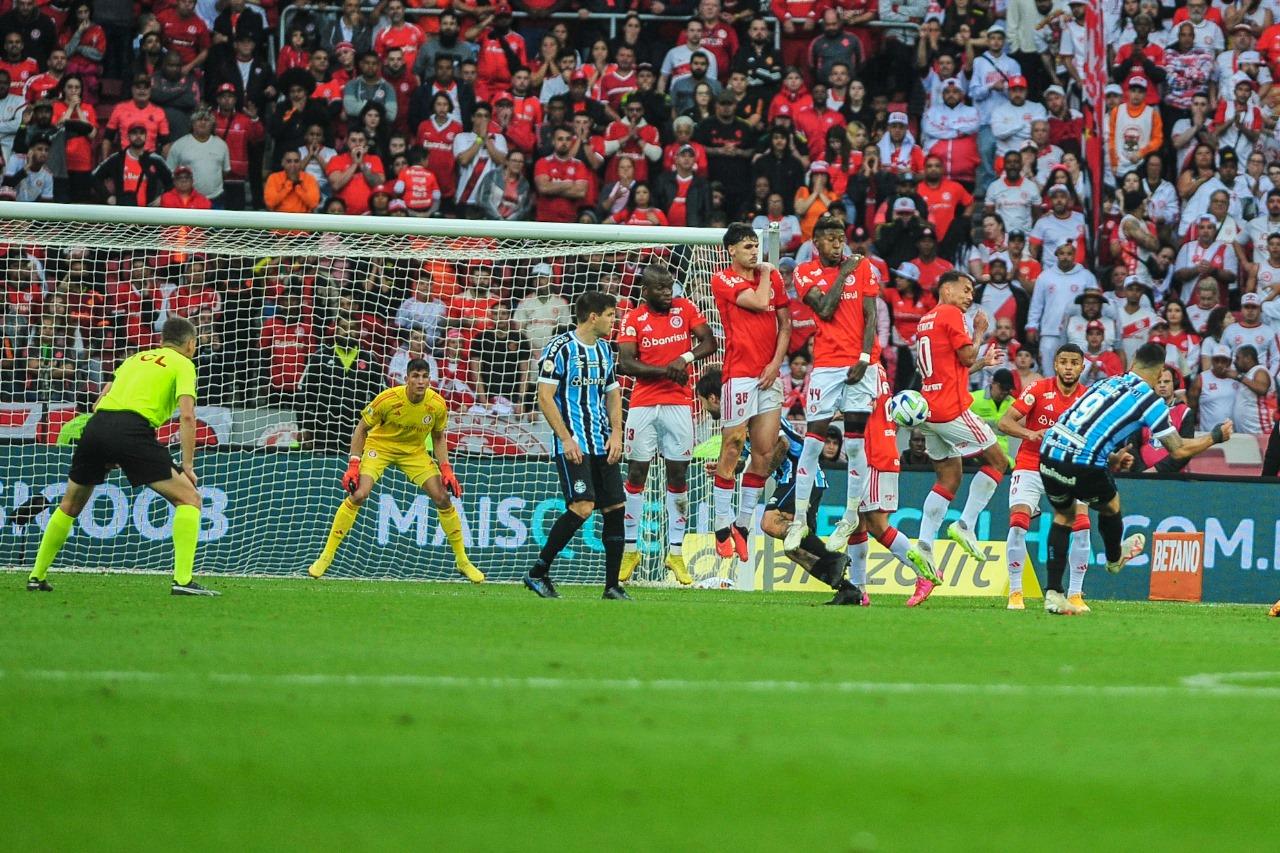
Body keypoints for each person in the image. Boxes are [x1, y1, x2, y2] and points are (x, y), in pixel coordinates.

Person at [1039, 342, 1234, 615]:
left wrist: (1110, 457)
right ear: (1159, 371)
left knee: (1063, 517)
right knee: (1111, 504)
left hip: (1049, 453)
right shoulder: (1149, 400)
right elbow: (1177, 449)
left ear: (1132, 363)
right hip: (1082, 462)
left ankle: (1053, 593)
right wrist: (1214, 437)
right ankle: (1114, 558)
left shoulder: (1109, 381)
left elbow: (1087, 425)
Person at [25, 318, 215, 596]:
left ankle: (36, 575)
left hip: (97, 425)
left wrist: (109, 446)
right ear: (190, 343)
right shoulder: (183, 363)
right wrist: (188, 465)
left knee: (69, 504)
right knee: (190, 499)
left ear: (162, 340)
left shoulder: (134, 359)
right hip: (132, 430)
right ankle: (183, 581)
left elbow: (98, 403)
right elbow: (187, 415)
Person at [696, 367, 866, 606]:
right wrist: (731, 468)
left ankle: (833, 558)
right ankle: (847, 589)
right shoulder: (741, 417)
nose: (703, 408)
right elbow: (753, 458)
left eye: (702, 402)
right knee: (793, 548)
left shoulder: (752, 415)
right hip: (801, 478)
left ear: (714, 398)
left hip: (799, 475)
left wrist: (760, 474)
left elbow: (782, 445)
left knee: (770, 522)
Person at [306, 358, 483, 584]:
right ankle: (326, 556)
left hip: (414, 452)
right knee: (359, 494)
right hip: (380, 448)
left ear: (430, 379)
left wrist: (447, 470)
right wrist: (353, 464)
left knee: (443, 498)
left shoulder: (437, 404)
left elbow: (438, 437)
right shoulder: (388, 399)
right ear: (406, 378)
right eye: (415, 376)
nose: (420, 381)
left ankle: (462, 561)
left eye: (424, 376)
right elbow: (361, 429)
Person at [907, 270, 1007, 606]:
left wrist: (981, 362)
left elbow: (952, 367)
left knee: (948, 477)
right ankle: (966, 523)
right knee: (998, 460)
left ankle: (923, 548)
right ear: (945, 288)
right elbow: (964, 356)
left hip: (928, 413)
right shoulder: (951, 314)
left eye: (972, 292)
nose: (969, 297)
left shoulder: (925, 320)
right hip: (952, 409)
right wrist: (979, 332)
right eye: (965, 290)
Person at [783, 215, 881, 554]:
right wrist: (844, 273)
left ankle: (851, 514)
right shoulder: (805, 272)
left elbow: (871, 314)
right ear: (817, 243)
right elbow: (824, 308)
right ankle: (799, 519)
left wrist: (865, 357)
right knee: (812, 443)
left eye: (842, 237)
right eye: (832, 239)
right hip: (825, 365)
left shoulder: (864, 267)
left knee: (854, 445)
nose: (839, 244)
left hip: (860, 364)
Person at [524, 291, 629, 601]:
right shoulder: (560, 349)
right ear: (593, 316)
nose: (615, 320)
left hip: (602, 442)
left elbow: (612, 393)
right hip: (574, 444)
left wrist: (617, 432)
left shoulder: (606, 351)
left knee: (615, 508)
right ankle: (537, 572)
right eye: (611, 315)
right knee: (582, 507)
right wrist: (566, 438)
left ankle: (612, 587)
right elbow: (545, 397)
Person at [617, 265, 717, 586]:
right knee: (636, 473)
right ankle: (630, 550)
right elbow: (626, 362)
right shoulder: (633, 319)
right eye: (660, 289)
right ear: (645, 291)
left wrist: (684, 360)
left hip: (678, 405)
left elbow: (709, 342)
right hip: (643, 404)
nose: (667, 293)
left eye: (669, 287)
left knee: (678, 474)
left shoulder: (685, 308)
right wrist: (666, 370)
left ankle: (675, 552)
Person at [709, 223, 791, 561]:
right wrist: (768, 271)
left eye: (756, 246)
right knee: (732, 446)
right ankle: (720, 527)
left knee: (763, 454)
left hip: (769, 374)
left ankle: (742, 525)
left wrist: (776, 363)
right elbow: (759, 303)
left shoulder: (772, 279)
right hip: (739, 374)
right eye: (746, 247)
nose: (754, 252)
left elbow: (785, 324)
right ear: (731, 251)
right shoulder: (724, 278)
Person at [997, 344, 1096, 612]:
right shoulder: (1038, 389)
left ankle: (1075, 595)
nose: (1068, 367)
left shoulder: (1088, 399)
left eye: (1074, 363)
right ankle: (1016, 594)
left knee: (1083, 528)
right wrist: (1030, 434)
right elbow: (1005, 423)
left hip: (1069, 469)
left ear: (1082, 367)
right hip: (1031, 464)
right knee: (1018, 524)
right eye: (1063, 361)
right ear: (1055, 364)